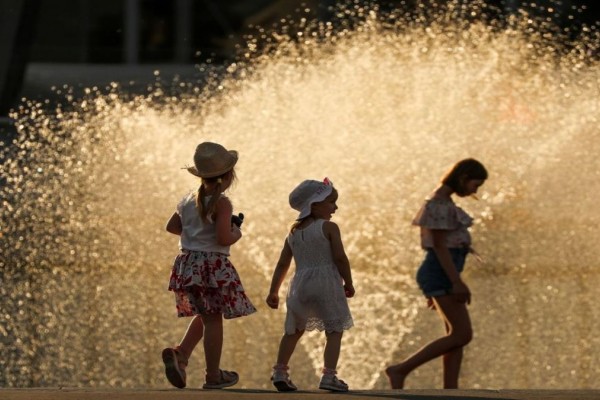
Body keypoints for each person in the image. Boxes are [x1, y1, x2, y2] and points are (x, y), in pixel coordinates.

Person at [386, 158, 488, 389]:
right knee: (462, 335)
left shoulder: (442, 201)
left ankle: (451, 389)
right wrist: (456, 282)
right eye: (475, 184)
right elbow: (439, 246)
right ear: (463, 178)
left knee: (455, 337)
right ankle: (400, 369)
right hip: (440, 272)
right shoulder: (440, 204)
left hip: (440, 271)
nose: (475, 190)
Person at [161, 142, 256, 390]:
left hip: (188, 263)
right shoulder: (222, 203)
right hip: (211, 264)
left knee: (207, 314)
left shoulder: (187, 200)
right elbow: (224, 238)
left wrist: (195, 237)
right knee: (214, 319)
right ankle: (213, 375)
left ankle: (181, 354)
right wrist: (237, 233)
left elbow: (172, 227)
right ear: (228, 175)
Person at [266, 178, 355, 392]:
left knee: (293, 330)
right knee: (334, 330)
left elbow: (282, 263)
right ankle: (329, 377)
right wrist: (349, 282)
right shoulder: (329, 227)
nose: (336, 207)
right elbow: (341, 258)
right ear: (314, 205)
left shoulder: (293, 233)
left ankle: (280, 372)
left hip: (300, 285)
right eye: (331, 202)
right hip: (326, 283)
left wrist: (274, 291)